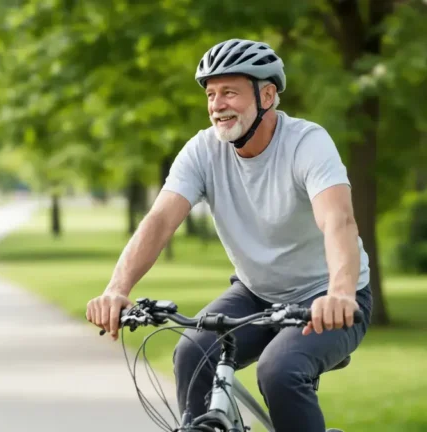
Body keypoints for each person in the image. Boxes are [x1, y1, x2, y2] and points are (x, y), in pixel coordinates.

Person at [85, 39, 373, 432]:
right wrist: (117, 288)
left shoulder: (307, 143)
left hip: (328, 297)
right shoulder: (202, 151)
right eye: (211, 94)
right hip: (255, 293)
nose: (217, 105)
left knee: (279, 370)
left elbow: (337, 220)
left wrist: (339, 293)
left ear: (267, 96)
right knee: (192, 353)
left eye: (230, 92)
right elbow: (160, 221)